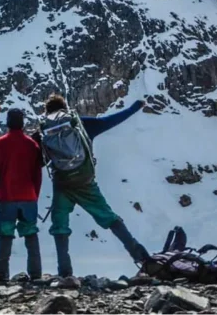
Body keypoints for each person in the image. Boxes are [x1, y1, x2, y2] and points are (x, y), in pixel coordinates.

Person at [37, 94, 149, 278]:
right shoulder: (80, 124)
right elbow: (111, 120)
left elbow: (39, 159)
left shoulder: (44, 131)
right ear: (65, 109)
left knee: (60, 226)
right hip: (85, 183)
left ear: (47, 112)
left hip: (62, 185)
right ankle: (142, 258)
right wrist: (135, 106)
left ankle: (65, 272)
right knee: (109, 218)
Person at [0, 108, 43, 282]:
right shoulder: (32, 145)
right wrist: (35, 195)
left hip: (7, 197)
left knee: (6, 235)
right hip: (28, 197)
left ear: (7, 122)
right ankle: (35, 273)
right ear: (23, 123)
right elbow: (37, 175)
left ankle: (1, 272)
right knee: (31, 234)